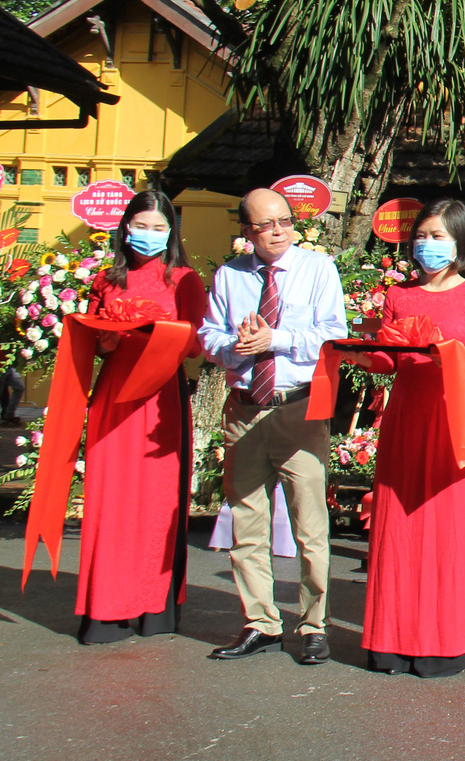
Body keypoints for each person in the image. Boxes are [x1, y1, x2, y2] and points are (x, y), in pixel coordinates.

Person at [199, 187, 349, 663]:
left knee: (310, 527)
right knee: (247, 522)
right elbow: (209, 334)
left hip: (298, 409)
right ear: (247, 232)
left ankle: (312, 624)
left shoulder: (317, 269)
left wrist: (275, 338)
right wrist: (234, 347)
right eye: (266, 224)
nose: (279, 230)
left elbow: (334, 334)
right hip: (244, 409)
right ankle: (260, 622)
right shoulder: (229, 276)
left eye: (285, 220)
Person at [357, 199, 465, 677]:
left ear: (461, 242)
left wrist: (448, 358)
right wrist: (360, 349)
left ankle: (443, 642)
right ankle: (390, 640)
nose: (427, 244)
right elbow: (389, 360)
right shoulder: (399, 296)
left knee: (446, 533)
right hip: (407, 417)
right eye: (421, 236)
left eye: (438, 236)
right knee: (397, 527)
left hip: (454, 419)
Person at [73, 191, 208, 643]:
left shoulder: (185, 280)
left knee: (154, 503)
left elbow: (197, 343)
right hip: (113, 395)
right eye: (140, 225)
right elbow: (89, 337)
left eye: (158, 227)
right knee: (109, 500)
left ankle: (152, 603)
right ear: (124, 227)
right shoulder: (104, 279)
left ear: (171, 233)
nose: (148, 235)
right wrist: (103, 341)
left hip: (158, 399)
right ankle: (106, 606)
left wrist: (160, 337)